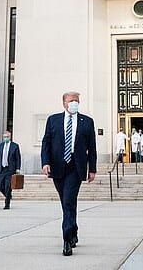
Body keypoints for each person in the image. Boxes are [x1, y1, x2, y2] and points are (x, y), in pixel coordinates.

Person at [41, 91, 97, 256]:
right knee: (67, 203)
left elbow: (92, 147)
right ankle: (73, 230)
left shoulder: (87, 122)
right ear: (64, 103)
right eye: (72, 100)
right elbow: (46, 142)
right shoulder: (53, 120)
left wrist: (92, 169)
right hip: (57, 167)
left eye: (77, 101)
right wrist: (45, 162)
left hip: (75, 167)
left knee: (68, 201)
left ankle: (66, 239)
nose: (75, 103)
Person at [0, 131, 21, 210]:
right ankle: (8, 195)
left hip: (10, 169)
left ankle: (7, 204)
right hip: (1, 169)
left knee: (7, 186)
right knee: (0, 185)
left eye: (7, 137)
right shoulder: (0, 146)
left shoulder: (15, 146)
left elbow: (18, 158)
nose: (5, 138)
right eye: (4, 137)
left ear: (10, 137)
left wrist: (18, 168)